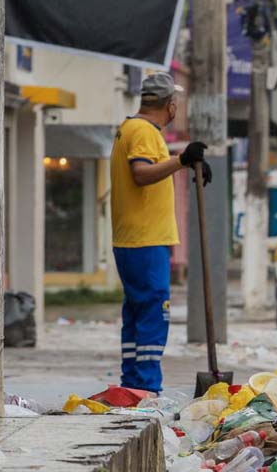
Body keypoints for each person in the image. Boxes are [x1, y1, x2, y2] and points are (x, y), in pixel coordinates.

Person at [110, 73, 212, 394]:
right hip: (145, 239)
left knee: (137, 312)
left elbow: (153, 165)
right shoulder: (142, 131)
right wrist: (181, 160)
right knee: (154, 310)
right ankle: (146, 387)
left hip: (134, 239)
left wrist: (185, 162)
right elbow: (141, 173)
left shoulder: (133, 128)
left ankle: (132, 385)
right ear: (170, 105)